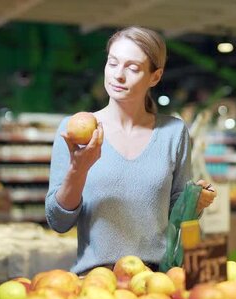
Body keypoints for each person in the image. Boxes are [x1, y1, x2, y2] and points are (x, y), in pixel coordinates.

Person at [45, 26, 217, 275]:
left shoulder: (173, 132)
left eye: (133, 68)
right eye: (113, 63)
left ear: (155, 77)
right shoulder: (75, 132)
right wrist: (77, 169)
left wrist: (195, 202)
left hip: (157, 279)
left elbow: (176, 214)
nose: (118, 75)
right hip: (96, 279)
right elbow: (58, 222)